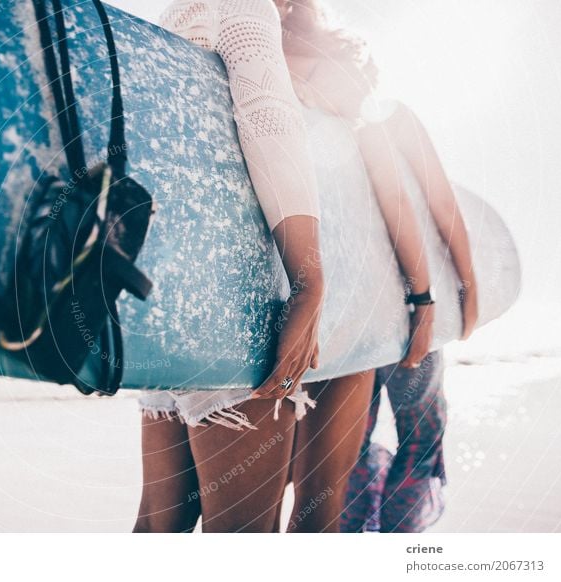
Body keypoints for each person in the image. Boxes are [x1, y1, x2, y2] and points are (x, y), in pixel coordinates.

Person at [280, 0, 478, 532]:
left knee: (407, 431)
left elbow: (440, 204)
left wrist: (466, 290)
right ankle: (367, 535)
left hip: (395, 303)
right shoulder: (307, 120)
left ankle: (390, 534)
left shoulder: (386, 115)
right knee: (369, 439)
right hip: (361, 311)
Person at [133, 0, 325, 533]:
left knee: (156, 527)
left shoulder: (168, 20)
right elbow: (269, 122)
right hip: (231, 302)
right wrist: (309, 284)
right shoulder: (240, 6)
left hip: (164, 298)